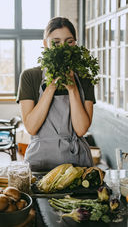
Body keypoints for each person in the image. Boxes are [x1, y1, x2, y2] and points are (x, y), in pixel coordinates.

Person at [17, 17, 95, 172]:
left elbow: (80, 130)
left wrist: (72, 88)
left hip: (76, 162)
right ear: (45, 44)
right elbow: (31, 128)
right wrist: (51, 87)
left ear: (75, 44)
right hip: (40, 161)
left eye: (69, 41)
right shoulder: (30, 76)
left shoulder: (84, 78)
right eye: (56, 42)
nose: (63, 48)